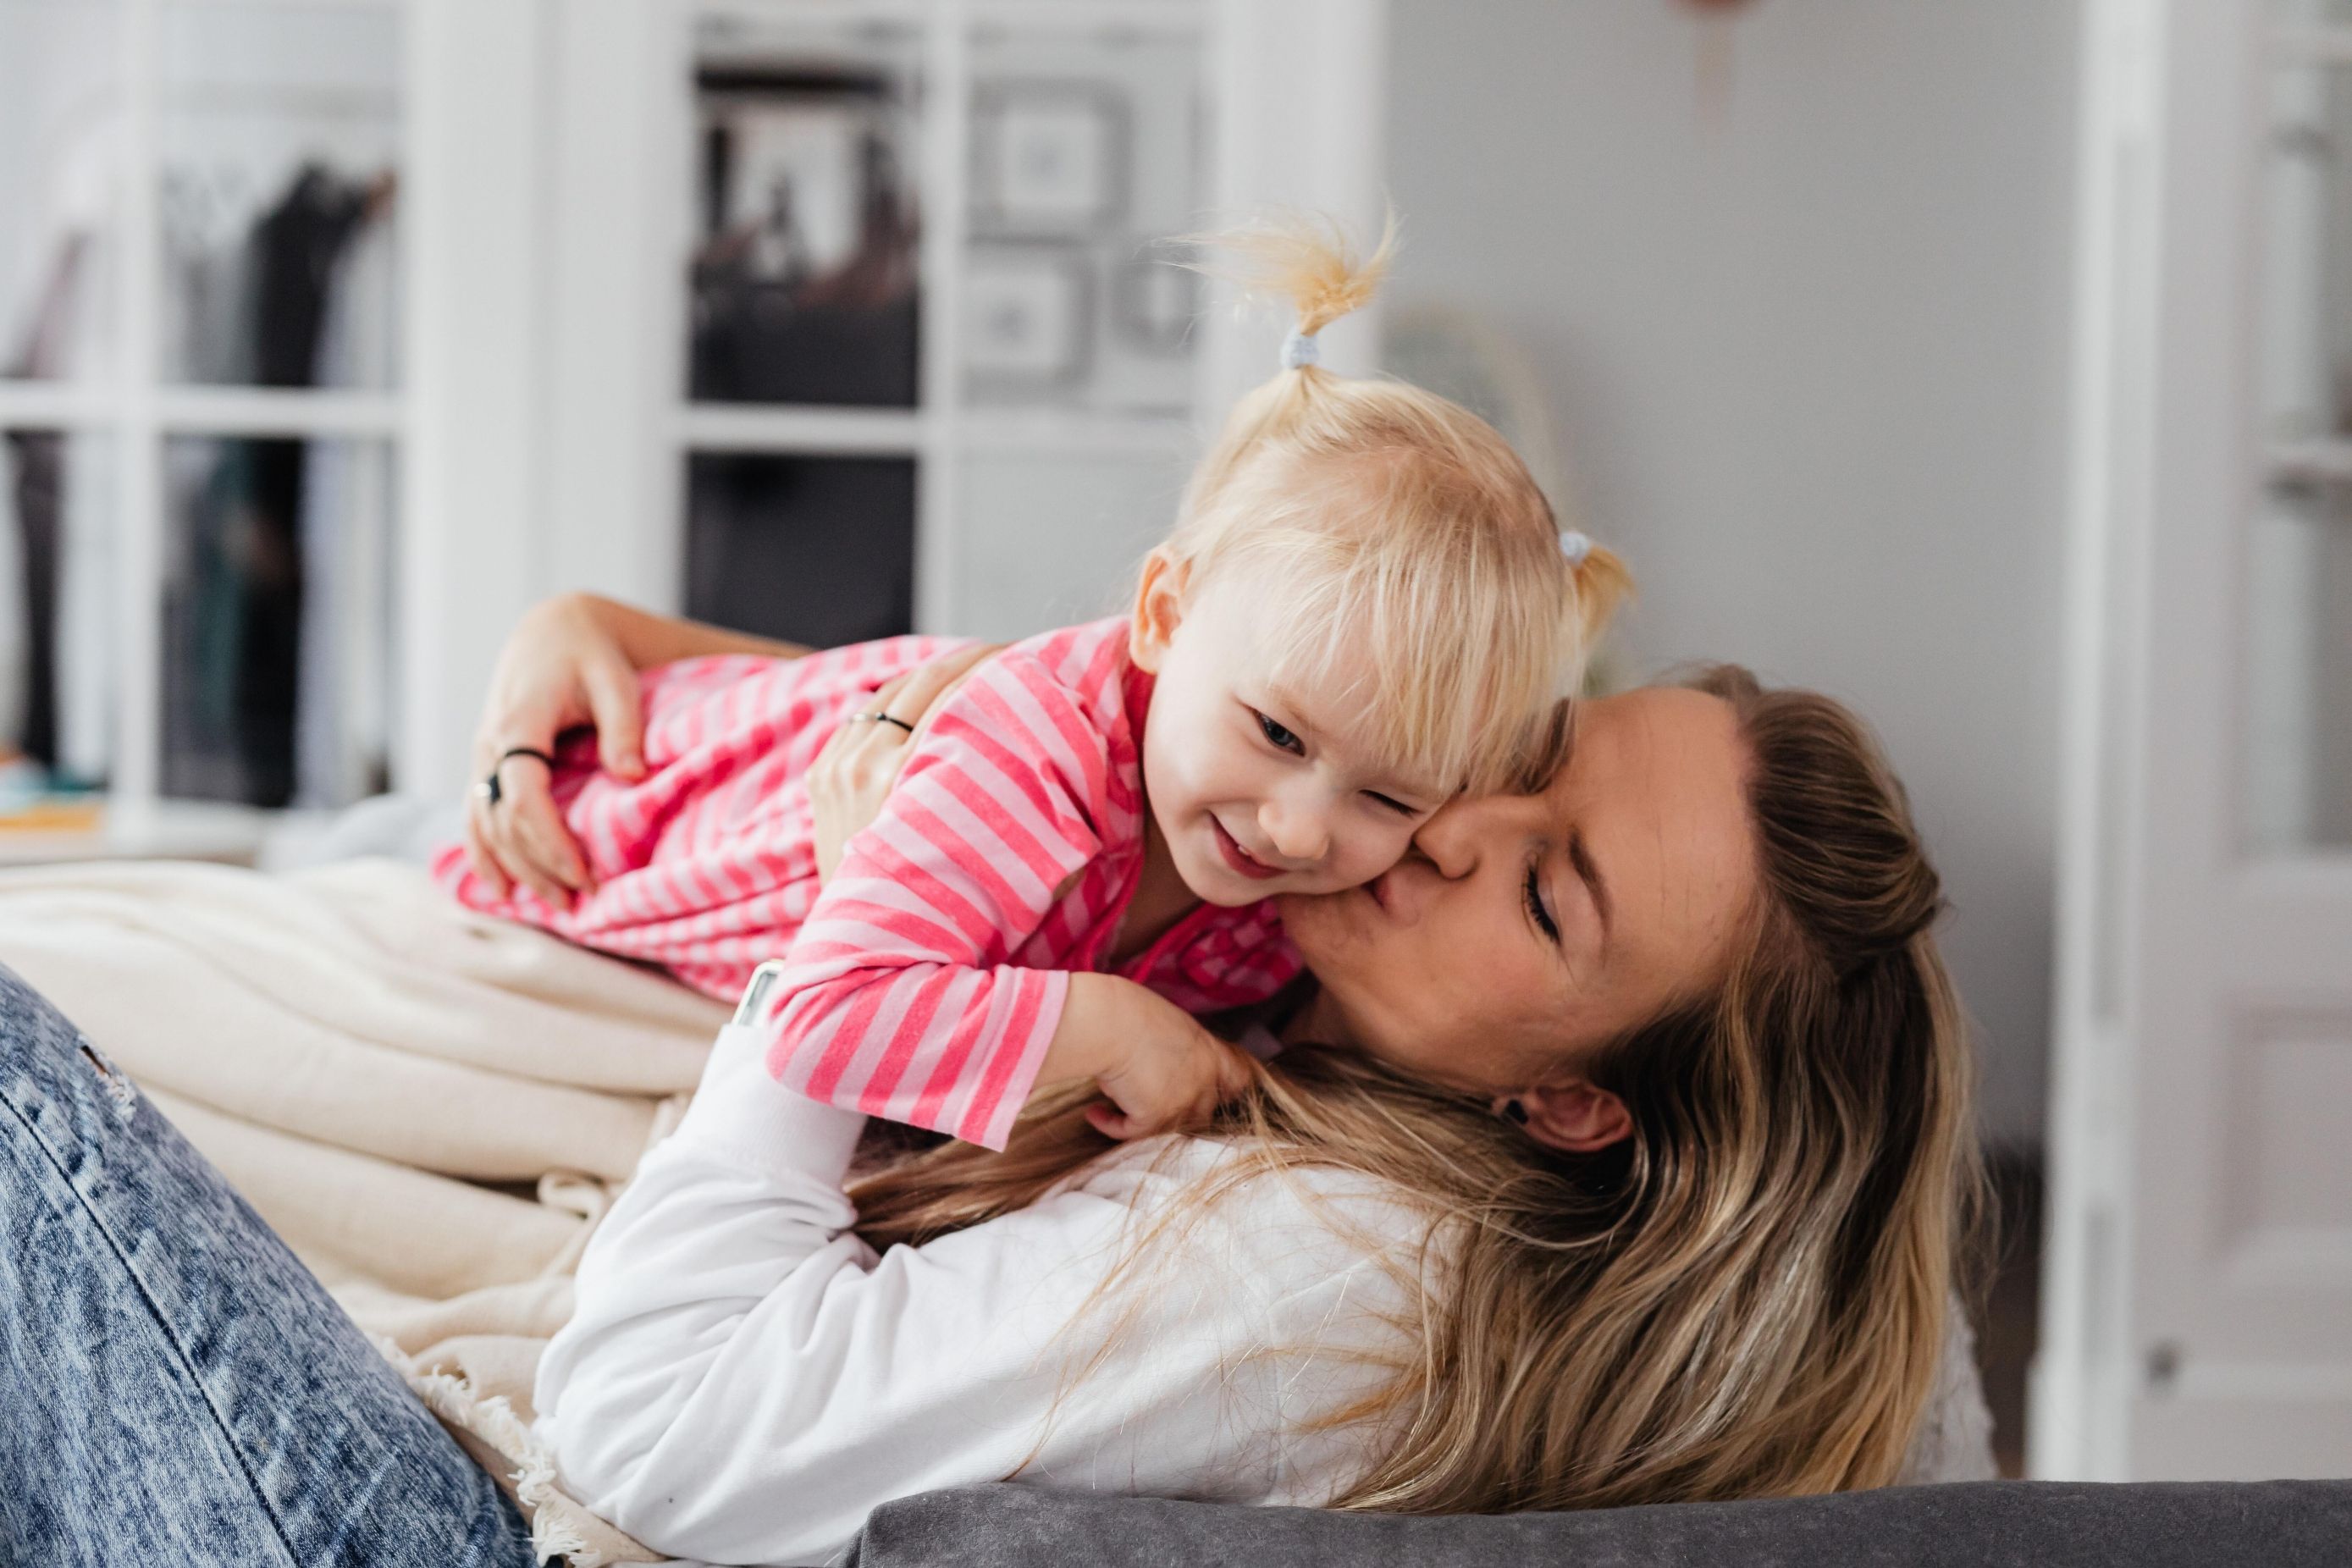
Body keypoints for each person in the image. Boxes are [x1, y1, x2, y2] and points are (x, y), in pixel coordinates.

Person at [467, 598, 1988, 1561]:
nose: (1454, 824)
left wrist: (853, 944)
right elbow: (1018, 729)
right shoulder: (1305, 972)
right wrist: (639, 646)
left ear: (1578, 1105)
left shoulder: (1321, 1267)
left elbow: (655, 1441)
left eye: (1545, 895)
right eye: (1531, 753)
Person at [435, 216, 1629, 1150]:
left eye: (1389, 800)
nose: (1302, 827)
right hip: (606, 831)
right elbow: (820, 1024)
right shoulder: (1034, 765)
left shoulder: (1283, 901)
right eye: (1275, 732)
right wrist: (1112, 1025)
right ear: (1163, 613)